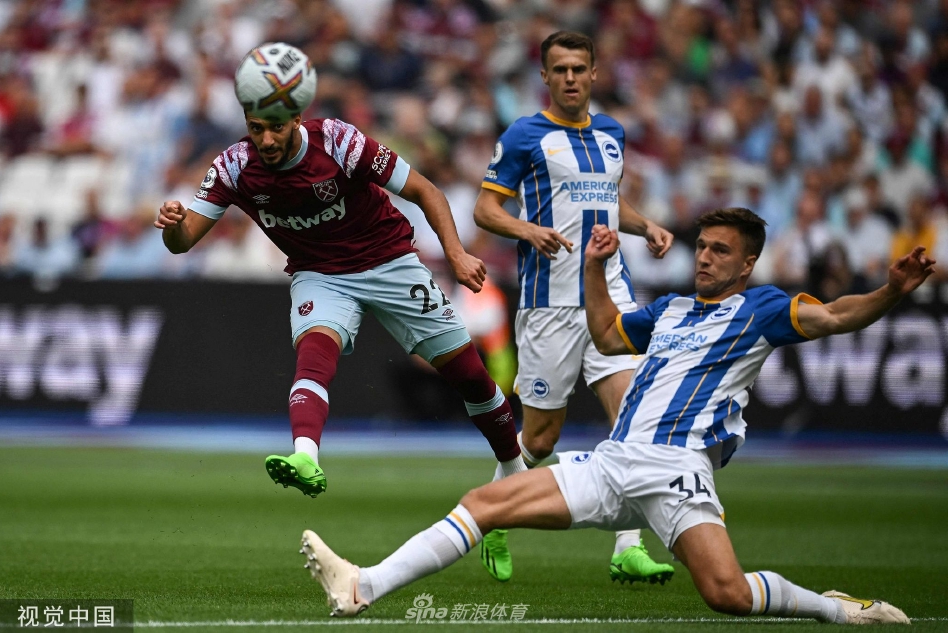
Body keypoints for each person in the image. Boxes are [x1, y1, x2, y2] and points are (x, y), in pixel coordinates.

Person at [301, 208, 923, 625]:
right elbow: (607, 333)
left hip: (676, 469)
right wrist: (595, 267)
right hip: (614, 461)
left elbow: (836, 315)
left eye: (721, 251)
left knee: (727, 594)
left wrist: (891, 291)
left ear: (747, 265)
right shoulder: (673, 309)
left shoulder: (761, 309)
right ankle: (361, 586)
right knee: (483, 503)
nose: (706, 258)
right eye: (703, 247)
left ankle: (838, 610)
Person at [154, 52, 526, 500]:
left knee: (470, 376)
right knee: (314, 354)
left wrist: (457, 253)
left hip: (390, 260)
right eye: (256, 128)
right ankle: (305, 458)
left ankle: (514, 469)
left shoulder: (338, 142)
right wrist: (174, 225)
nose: (266, 139)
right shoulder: (233, 166)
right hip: (320, 272)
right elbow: (183, 241)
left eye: (276, 127)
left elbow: (425, 190)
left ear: (296, 118)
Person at [472, 30, 675, 584]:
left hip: (609, 297)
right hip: (549, 305)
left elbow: (606, 198)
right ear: (544, 76)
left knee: (635, 418)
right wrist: (528, 230)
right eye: (559, 69)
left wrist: (646, 225)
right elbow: (485, 210)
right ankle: (492, 515)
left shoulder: (612, 133)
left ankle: (627, 547)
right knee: (540, 439)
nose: (569, 78)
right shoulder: (524, 135)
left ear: (593, 73)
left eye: (578, 69)